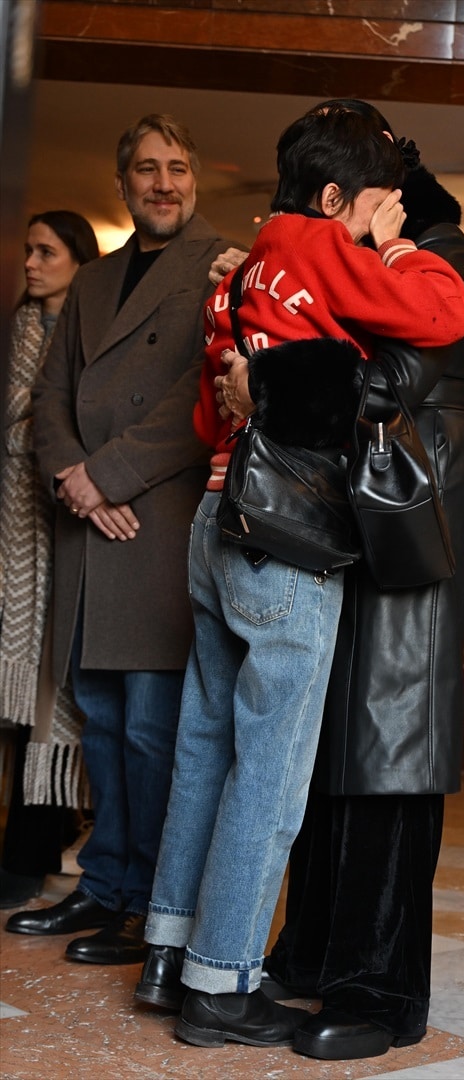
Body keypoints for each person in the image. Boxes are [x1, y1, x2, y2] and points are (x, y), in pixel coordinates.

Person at [132, 106, 464, 1050]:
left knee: (202, 746)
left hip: (212, 519)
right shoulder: (324, 249)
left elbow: (209, 421)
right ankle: (222, 983)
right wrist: (397, 251)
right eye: (372, 205)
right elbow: (445, 310)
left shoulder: (238, 275)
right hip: (284, 538)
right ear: (333, 200)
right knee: (272, 775)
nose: (379, 219)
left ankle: (167, 949)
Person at [5, 115, 233, 965]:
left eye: (176, 167)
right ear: (124, 183)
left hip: (159, 527)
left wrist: (111, 476)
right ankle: (101, 888)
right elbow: (49, 402)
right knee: (99, 723)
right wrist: (76, 479)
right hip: (92, 533)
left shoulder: (222, 265)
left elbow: (203, 398)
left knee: (151, 731)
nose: (162, 183)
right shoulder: (95, 282)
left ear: (195, 178)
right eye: (146, 169)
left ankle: (148, 904)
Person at [0, 211, 99, 910]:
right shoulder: (11, 334)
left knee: (49, 700)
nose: (31, 263)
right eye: (28, 251)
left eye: (45, 251)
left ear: (78, 260)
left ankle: (31, 850)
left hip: (66, 531)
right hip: (10, 535)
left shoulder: (92, 338)